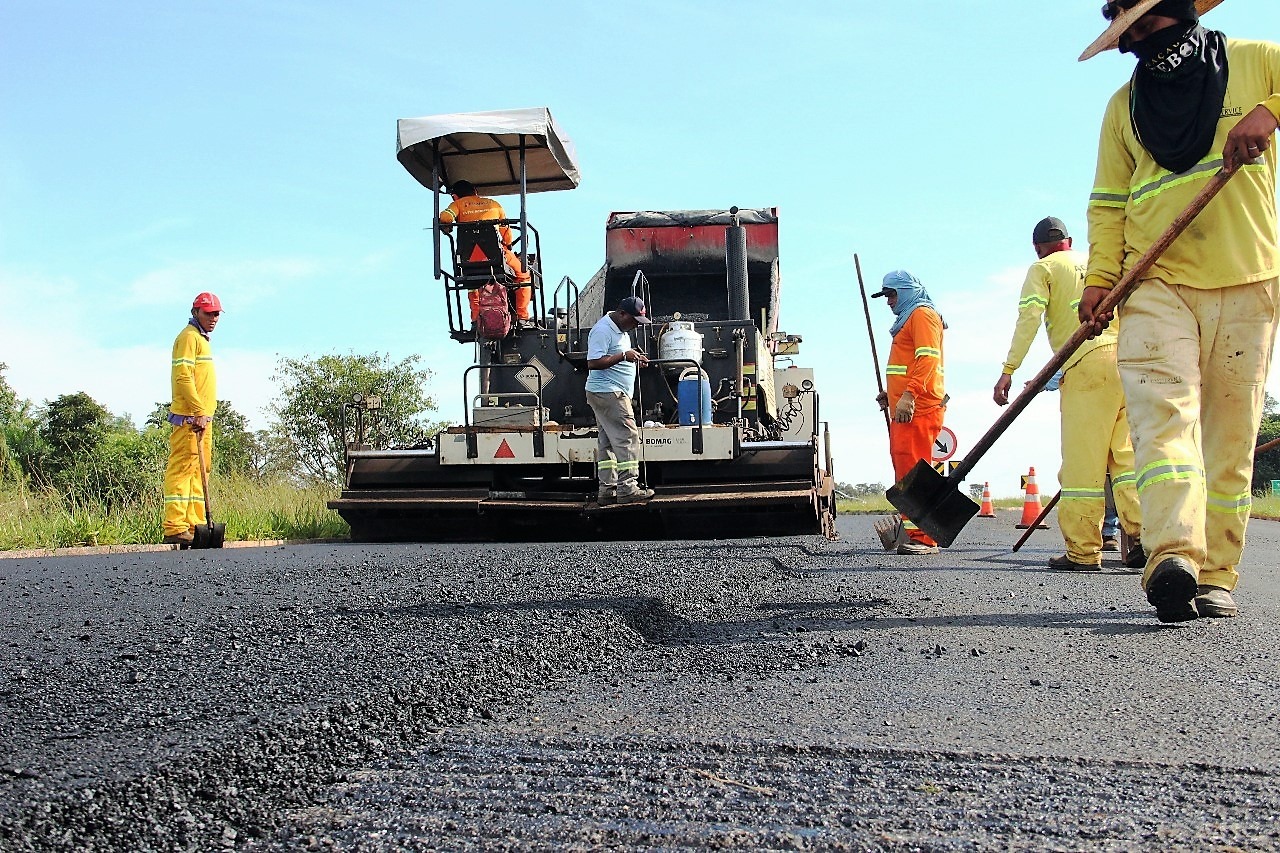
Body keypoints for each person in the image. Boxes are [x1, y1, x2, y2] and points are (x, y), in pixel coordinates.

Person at [1078, 0, 1280, 621]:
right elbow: (1110, 201)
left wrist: (1270, 111)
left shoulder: (1253, 61)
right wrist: (1099, 280)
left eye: (1146, 26)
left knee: (1229, 434)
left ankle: (1218, 573)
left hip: (1249, 277)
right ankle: (1173, 556)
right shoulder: (1124, 106)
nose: (1139, 42)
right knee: (1162, 421)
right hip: (1154, 279)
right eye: (1128, 34)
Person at [993, 217, 1143, 572]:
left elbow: (1028, 319)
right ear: (1070, 241)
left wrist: (1008, 370)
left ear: (1037, 247)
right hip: (1125, 361)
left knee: (1082, 464)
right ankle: (1144, 537)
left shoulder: (1042, 268)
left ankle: (1083, 551)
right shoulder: (1097, 262)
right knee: (1125, 460)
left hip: (1085, 364)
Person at [873, 271, 946, 555]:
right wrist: (891, 395)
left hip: (920, 406)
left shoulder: (923, 315)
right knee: (906, 468)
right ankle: (914, 533)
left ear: (906, 291)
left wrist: (908, 394)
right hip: (906, 406)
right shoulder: (909, 319)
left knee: (916, 470)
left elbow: (928, 358)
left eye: (891, 295)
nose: (889, 302)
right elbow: (907, 365)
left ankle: (926, 537)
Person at [162, 292, 221, 547]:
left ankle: (195, 525)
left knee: (200, 471)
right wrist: (197, 410)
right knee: (183, 469)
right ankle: (175, 526)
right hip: (190, 419)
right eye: (209, 313)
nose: (214, 318)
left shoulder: (201, 340)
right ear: (195, 312)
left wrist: (205, 414)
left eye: (217, 314)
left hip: (203, 419)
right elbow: (183, 377)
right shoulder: (187, 338)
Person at [585, 296, 655, 506]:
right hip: (609, 393)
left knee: (607, 442)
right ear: (622, 313)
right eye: (633, 320)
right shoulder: (602, 330)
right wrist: (624, 356)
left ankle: (607, 490)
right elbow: (593, 362)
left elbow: (618, 354)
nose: (635, 326)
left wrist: (635, 358)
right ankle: (628, 488)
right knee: (627, 437)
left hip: (608, 392)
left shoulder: (621, 330)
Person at [439, 179, 533, 324]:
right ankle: (522, 317)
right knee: (524, 276)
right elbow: (506, 234)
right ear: (475, 192)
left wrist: (447, 225)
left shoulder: (456, 204)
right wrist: (507, 246)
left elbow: (446, 217)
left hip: (468, 259)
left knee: (472, 284)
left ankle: (476, 320)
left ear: (455, 196)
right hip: (497, 256)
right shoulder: (494, 205)